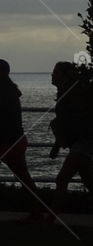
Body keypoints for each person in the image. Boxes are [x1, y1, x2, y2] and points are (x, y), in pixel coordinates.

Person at [49, 61, 93, 215]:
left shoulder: (72, 94)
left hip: (82, 142)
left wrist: (59, 138)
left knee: (62, 179)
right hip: (82, 141)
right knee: (90, 181)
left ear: (64, 76)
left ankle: (52, 218)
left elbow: (72, 120)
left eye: (55, 72)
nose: (52, 75)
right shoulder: (68, 92)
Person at [0, 59, 45, 220]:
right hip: (16, 140)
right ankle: (37, 209)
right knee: (24, 178)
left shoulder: (4, 92)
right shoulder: (11, 91)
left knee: (24, 177)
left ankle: (37, 209)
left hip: (6, 141)